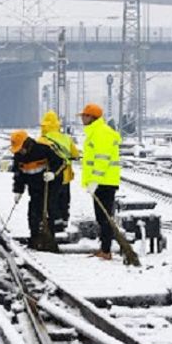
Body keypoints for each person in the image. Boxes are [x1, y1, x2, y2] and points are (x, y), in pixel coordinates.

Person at [78, 103, 121, 261]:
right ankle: (104, 248)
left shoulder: (101, 133)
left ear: (92, 117)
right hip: (101, 181)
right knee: (102, 217)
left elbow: (102, 159)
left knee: (104, 217)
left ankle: (106, 250)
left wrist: (95, 179)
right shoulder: (95, 131)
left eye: (85, 115)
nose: (82, 118)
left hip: (104, 181)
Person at [10, 130, 63, 247]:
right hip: (34, 187)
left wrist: (53, 174)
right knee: (33, 212)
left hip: (49, 185)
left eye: (21, 148)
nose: (20, 151)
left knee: (49, 209)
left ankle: (49, 239)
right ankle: (35, 238)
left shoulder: (43, 150)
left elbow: (60, 163)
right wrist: (18, 190)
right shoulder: (18, 156)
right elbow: (19, 174)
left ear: (27, 144)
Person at [38, 110, 80, 231]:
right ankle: (64, 222)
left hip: (50, 176)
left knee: (51, 200)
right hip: (65, 176)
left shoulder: (42, 140)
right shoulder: (66, 139)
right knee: (64, 201)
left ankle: (54, 225)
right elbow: (75, 155)